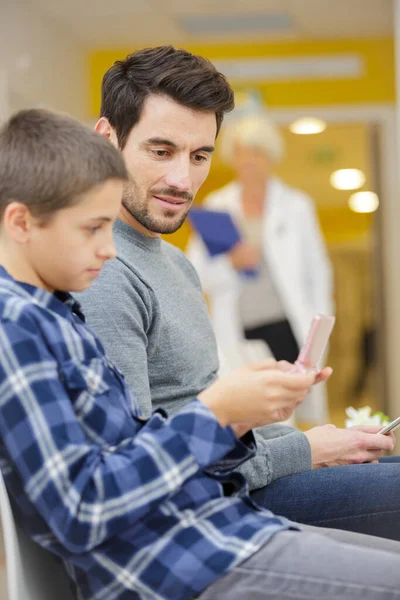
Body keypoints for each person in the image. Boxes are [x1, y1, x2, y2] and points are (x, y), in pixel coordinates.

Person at [2, 109, 400, 600]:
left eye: (199, 155)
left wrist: (239, 419)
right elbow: (85, 507)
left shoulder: (58, 312)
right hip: (177, 561)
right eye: (93, 228)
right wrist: (220, 413)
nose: (109, 250)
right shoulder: (17, 326)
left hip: (211, 524)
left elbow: (136, 446)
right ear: (20, 222)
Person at [77, 45, 400, 542]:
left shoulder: (174, 263)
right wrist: (307, 451)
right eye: (161, 151)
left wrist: (308, 440)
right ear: (106, 141)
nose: (182, 180)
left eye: (199, 155)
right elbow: (140, 468)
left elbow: (207, 410)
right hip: (212, 506)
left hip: (241, 474)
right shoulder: (103, 272)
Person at [186, 113, 333, 424]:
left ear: (270, 157)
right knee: (256, 413)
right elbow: (195, 273)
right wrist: (231, 263)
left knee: (289, 412)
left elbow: (317, 273)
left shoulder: (296, 206)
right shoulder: (217, 205)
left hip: (288, 324)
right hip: (240, 327)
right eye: (240, 152)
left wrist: (321, 328)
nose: (248, 160)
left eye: (256, 152)